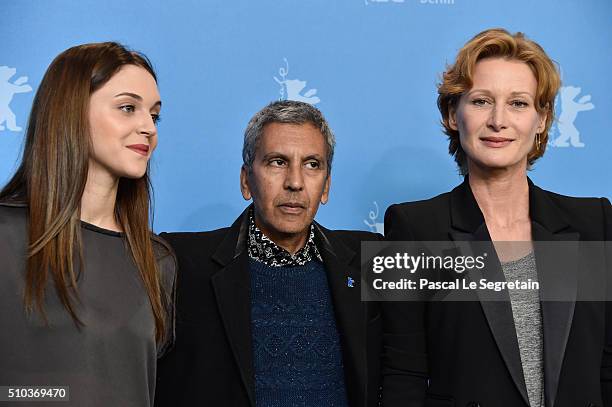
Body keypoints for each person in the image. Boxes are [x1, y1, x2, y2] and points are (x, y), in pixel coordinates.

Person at [380, 28, 612, 406]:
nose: (498, 121)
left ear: (542, 119)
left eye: (518, 103)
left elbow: (608, 366)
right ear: (453, 115)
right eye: (482, 101)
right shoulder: (413, 228)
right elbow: (403, 374)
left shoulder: (597, 222)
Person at [155, 100, 381, 407]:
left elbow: (460, 301)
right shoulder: (180, 261)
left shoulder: (367, 257)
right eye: (277, 162)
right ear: (246, 180)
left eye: (312, 164)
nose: (295, 182)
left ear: (326, 187)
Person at [0, 42, 176, 407]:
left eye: (154, 115)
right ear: (71, 111)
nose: (148, 127)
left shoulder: (157, 261)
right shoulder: (5, 235)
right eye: (128, 108)